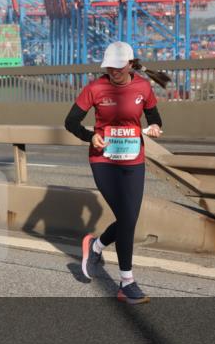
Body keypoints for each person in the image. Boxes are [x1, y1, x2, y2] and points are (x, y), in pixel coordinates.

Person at [63, 41, 168, 304]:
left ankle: (96, 246)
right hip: (104, 160)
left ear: (130, 64)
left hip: (133, 160)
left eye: (119, 67)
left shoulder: (143, 87)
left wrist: (154, 126)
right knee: (126, 219)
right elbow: (70, 122)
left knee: (129, 218)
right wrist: (90, 136)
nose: (114, 72)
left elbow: (154, 117)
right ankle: (127, 282)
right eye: (110, 67)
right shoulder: (96, 88)